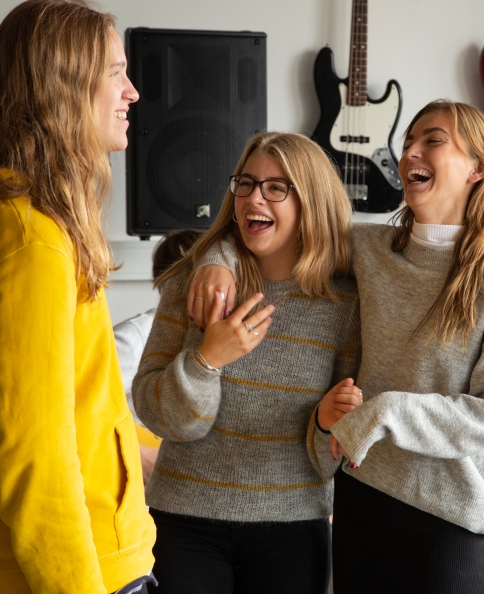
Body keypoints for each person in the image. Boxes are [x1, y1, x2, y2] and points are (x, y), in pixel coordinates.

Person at [189, 99, 484, 594]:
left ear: (478, 168)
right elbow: (268, 223)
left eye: (432, 141)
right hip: (360, 505)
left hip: (448, 518)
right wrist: (218, 260)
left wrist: (384, 413)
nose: (409, 152)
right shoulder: (370, 249)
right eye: (408, 142)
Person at [0, 1, 157, 591]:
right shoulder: (27, 243)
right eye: (115, 71)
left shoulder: (32, 229)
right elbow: (36, 461)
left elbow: (75, 407)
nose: (132, 91)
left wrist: (139, 453)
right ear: (63, 87)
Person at [132, 131, 362, 594]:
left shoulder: (345, 306)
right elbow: (161, 416)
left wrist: (325, 425)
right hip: (183, 522)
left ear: (312, 201)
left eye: (277, 187)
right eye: (246, 183)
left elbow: (329, 459)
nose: (254, 197)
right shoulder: (192, 285)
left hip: (293, 529)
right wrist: (206, 360)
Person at [113, 228, 203, 484]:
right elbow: (84, 409)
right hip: (144, 493)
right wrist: (140, 455)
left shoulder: (217, 339)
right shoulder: (133, 338)